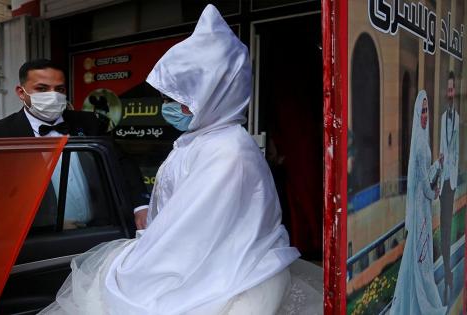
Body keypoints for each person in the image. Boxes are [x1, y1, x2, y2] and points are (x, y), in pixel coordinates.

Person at [40, 5, 322, 315]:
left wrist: (139, 263)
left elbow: (190, 235)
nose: (167, 106)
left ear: (212, 96)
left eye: (176, 99)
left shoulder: (226, 152)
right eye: (165, 97)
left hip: (218, 278)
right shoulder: (198, 140)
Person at [0, 59, 149, 229]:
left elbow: (122, 163)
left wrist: (140, 206)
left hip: (101, 231)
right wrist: (49, 223)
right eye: (42, 89)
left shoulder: (89, 122)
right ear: (21, 93)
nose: (53, 95)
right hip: (43, 242)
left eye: (59, 89)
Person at [390, 91, 446, 315]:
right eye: (422, 111)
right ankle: (423, 307)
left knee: (417, 263)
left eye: (427, 110)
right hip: (421, 214)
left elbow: (422, 179)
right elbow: (424, 186)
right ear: (416, 114)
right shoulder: (421, 146)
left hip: (420, 212)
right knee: (422, 265)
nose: (425, 115)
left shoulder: (421, 140)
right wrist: (435, 194)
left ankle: (412, 307)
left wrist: (437, 166)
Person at [439, 71, 459, 304]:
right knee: (444, 230)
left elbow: (457, 151)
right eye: (449, 89)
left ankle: (448, 274)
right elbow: (444, 150)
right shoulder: (443, 118)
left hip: (452, 181)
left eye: (453, 89)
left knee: (448, 229)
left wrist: (453, 174)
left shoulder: (459, 118)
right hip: (444, 180)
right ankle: (448, 275)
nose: (450, 93)